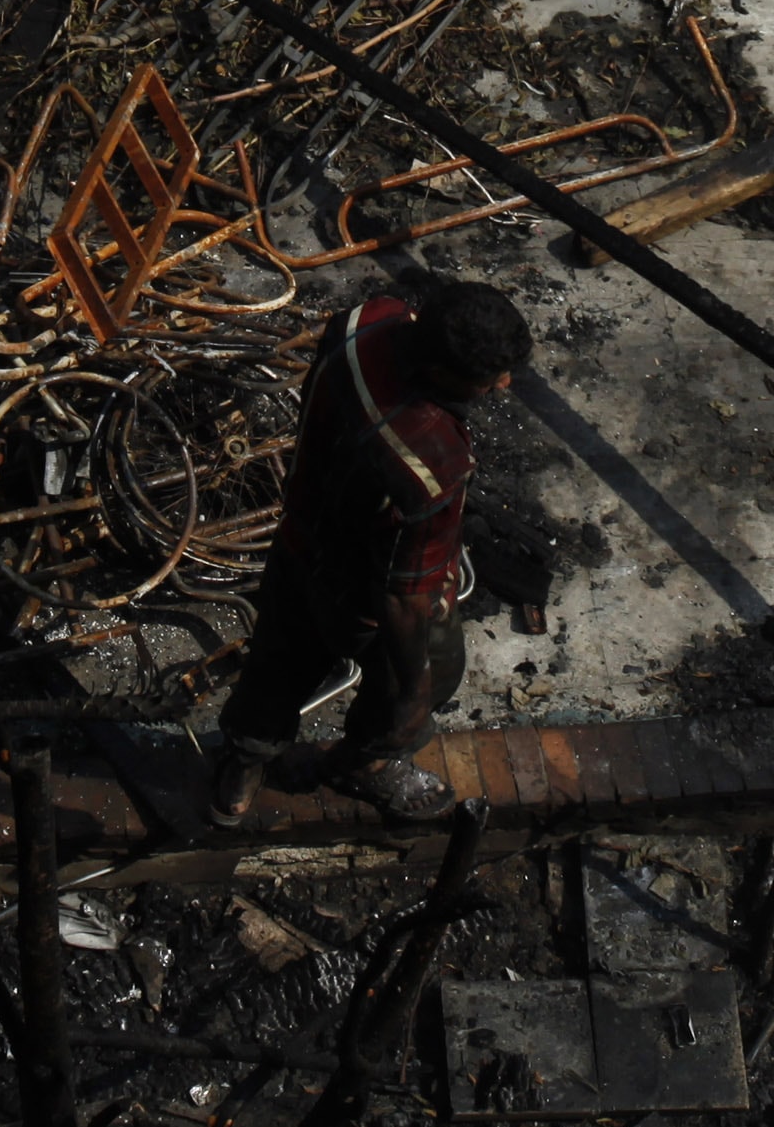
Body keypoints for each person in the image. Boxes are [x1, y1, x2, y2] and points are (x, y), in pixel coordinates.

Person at [208, 282, 533, 827]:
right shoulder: (432, 460)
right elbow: (403, 596)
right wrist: (413, 692)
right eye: (491, 376)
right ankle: (367, 763)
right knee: (433, 667)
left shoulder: (368, 321)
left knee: (277, 663)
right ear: (440, 373)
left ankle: (240, 773)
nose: (504, 384)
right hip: (357, 594)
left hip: (298, 541)